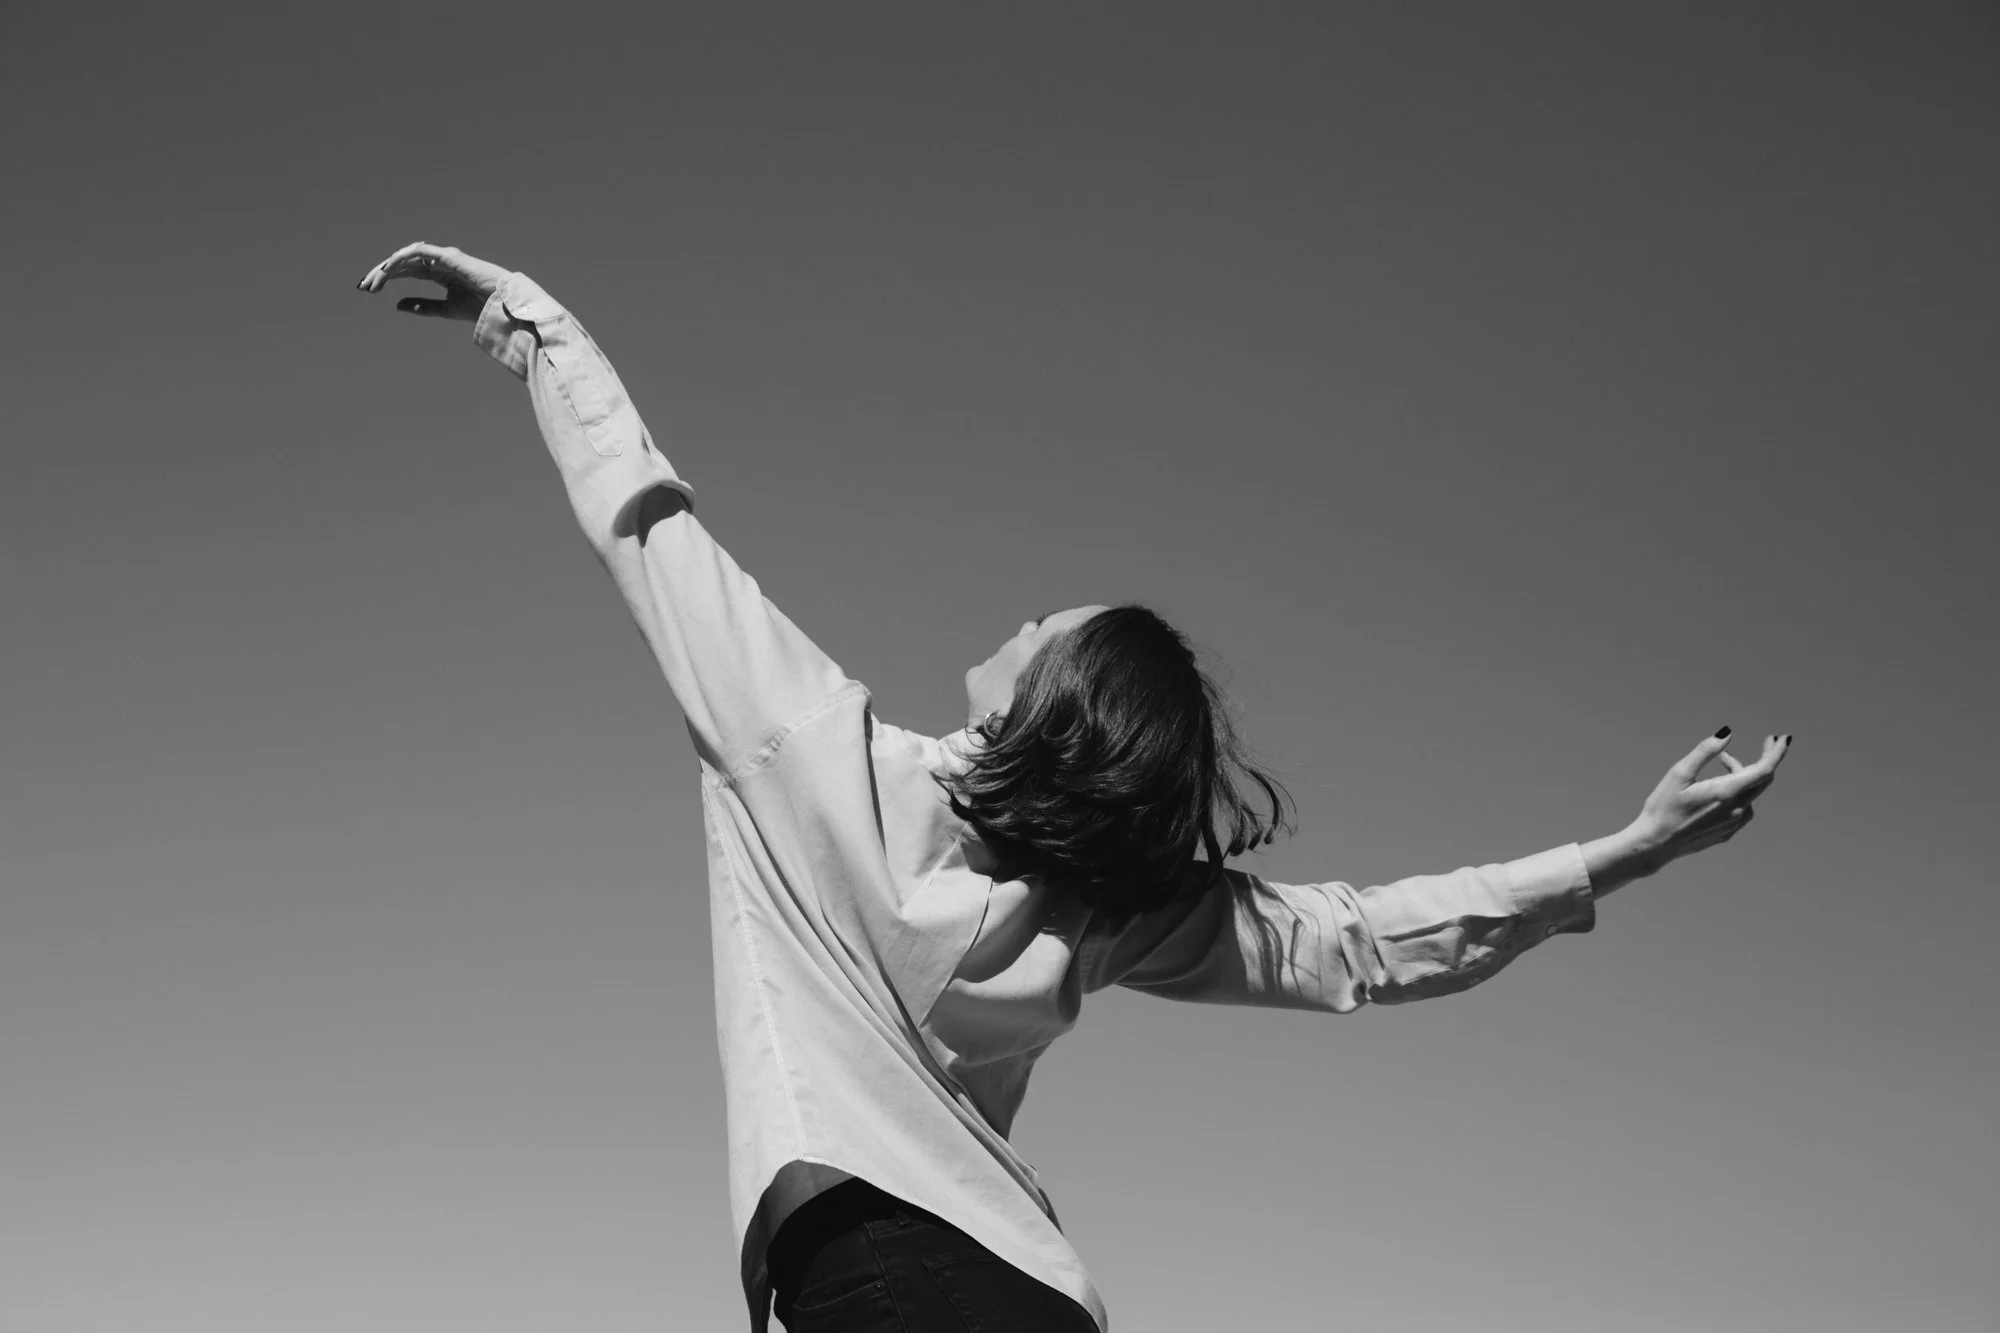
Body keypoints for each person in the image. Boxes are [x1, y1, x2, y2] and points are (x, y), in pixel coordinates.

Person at [358, 242, 1791, 1333]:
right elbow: (1354, 941)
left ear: (1060, 697)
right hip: (1026, 1287)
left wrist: (528, 320)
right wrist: (1621, 856)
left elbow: (648, 519)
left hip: (881, 1276)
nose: (1027, 613)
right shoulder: (1111, 906)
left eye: (1051, 623)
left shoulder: (810, 748)